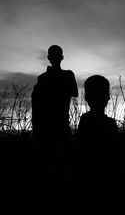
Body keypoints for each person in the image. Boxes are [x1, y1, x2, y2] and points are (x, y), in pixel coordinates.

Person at [31, 45, 78, 212]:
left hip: (56, 125)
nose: (55, 58)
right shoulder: (45, 78)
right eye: (54, 55)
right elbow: (36, 105)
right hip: (50, 126)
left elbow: (74, 92)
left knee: (61, 161)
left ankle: (61, 194)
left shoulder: (50, 77)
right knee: (51, 163)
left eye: (55, 55)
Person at [74, 75, 121, 214]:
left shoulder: (87, 121)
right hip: (103, 183)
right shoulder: (108, 124)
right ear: (107, 98)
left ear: (87, 98)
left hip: (92, 182)